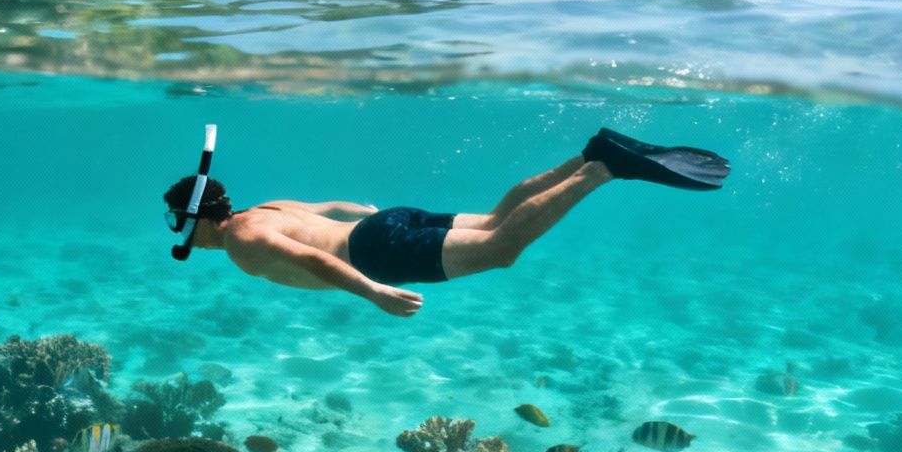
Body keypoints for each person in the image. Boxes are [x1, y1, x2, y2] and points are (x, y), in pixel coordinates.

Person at [162, 127, 728, 316]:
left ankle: (602, 169)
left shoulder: (242, 239)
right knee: (497, 215)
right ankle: (586, 154)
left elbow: (312, 258)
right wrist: (373, 217)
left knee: (501, 246)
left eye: (176, 222)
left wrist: (374, 292)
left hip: (375, 255)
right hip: (384, 225)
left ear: (198, 219)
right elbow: (338, 210)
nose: (178, 234)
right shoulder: (266, 208)